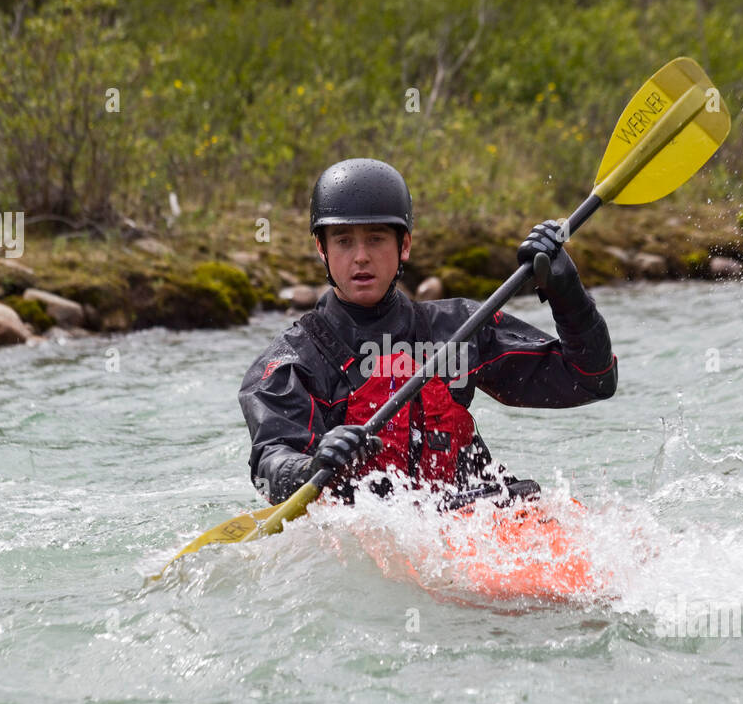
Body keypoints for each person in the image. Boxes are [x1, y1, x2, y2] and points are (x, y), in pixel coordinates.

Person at [239, 157, 616, 506]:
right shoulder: (291, 362)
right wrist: (309, 467)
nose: (360, 257)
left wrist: (567, 294)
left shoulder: (460, 328)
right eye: (343, 241)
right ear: (321, 249)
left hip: (470, 519)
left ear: (404, 246)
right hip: (370, 531)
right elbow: (270, 466)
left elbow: (592, 379)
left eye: (375, 239)